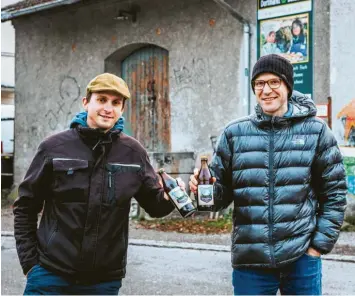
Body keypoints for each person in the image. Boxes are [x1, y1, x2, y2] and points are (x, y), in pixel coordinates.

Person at [189, 54, 347, 295]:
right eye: (259, 83)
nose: (266, 90)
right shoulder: (234, 134)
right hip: (251, 261)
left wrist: (316, 247)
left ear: (287, 86)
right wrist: (202, 191)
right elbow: (218, 199)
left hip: (301, 258)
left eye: (274, 82)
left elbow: (334, 194)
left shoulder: (316, 132)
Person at [13, 73, 176, 295]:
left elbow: (156, 206)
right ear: (86, 102)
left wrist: (170, 197)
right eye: (101, 100)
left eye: (116, 103)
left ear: (122, 109)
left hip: (102, 282)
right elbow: (25, 206)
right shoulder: (54, 148)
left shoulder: (133, 153)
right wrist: (31, 264)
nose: (108, 108)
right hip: (50, 274)